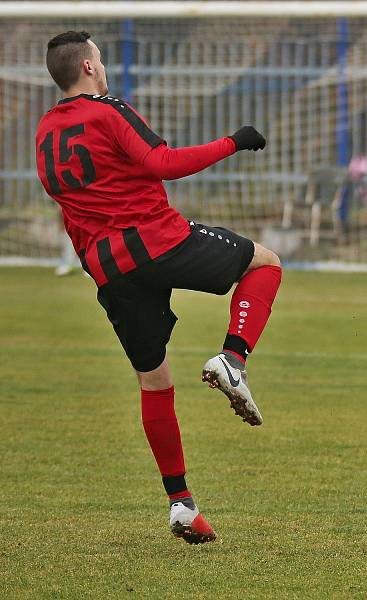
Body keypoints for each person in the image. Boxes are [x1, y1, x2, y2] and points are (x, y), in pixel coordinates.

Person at [36, 31, 283, 544]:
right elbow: (163, 164)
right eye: (98, 59)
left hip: (110, 270)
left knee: (154, 382)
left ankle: (181, 506)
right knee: (264, 263)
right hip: (157, 240)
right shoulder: (107, 110)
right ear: (87, 67)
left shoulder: (43, 133)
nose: (102, 67)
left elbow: (71, 211)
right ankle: (233, 359)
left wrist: (95, 265)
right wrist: (235, 141)